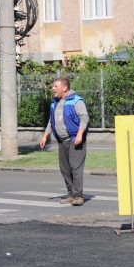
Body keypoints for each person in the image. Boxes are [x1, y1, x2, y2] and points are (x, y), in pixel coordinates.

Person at [39, 77, 89, 206]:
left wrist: (79, 135)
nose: (53, 89)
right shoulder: (54, 102)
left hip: (75, 139)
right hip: (62, 141)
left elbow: (84, 118)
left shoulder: (76, 101)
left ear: (64, 88)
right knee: (65, 169)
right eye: (53, 86)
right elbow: (52, 121)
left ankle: (78, 196)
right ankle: (71, 195)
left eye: (56, 86)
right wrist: (45, 135)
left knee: (75, 168)